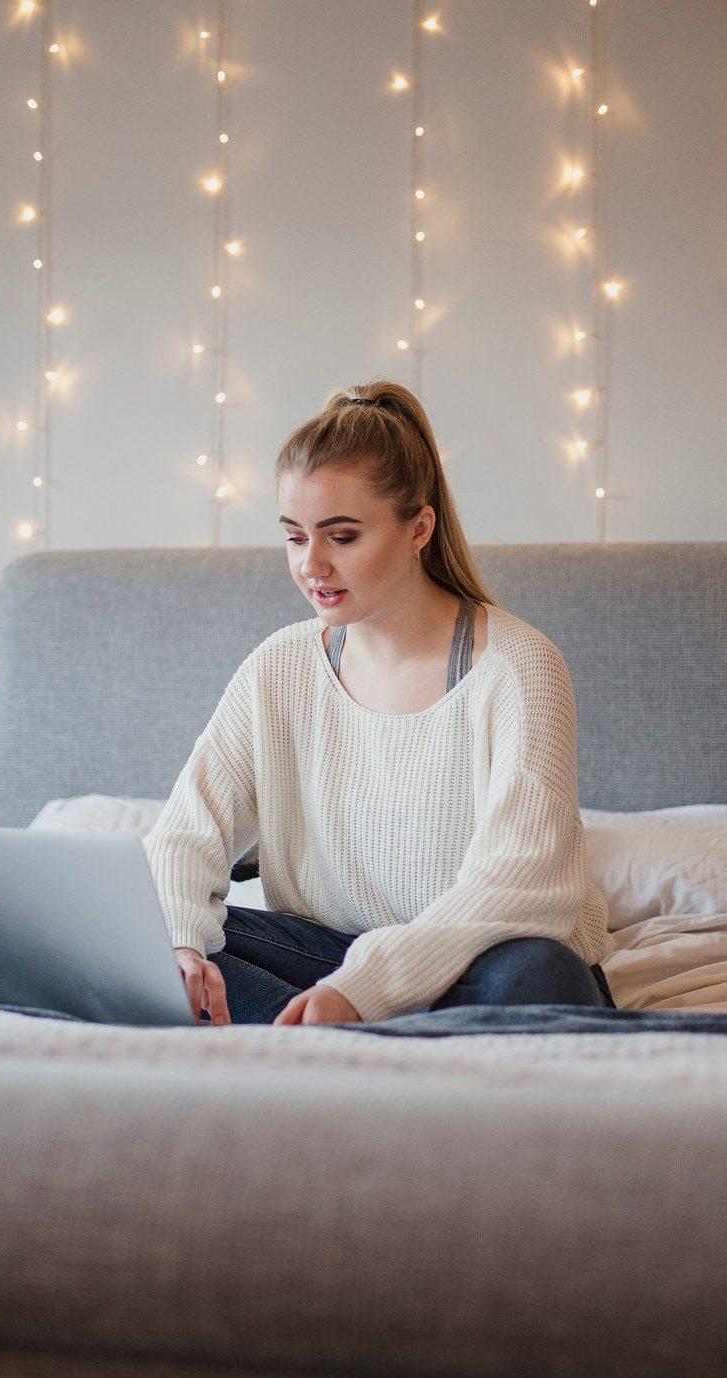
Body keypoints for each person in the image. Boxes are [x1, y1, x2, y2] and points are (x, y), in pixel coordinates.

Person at [144, 378, 614, 1026]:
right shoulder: (278, 667)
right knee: (142, 937)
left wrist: (362, 992)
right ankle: (347, 1042)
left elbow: (523, 882)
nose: (311, 564)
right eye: (293, 536)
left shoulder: (516, 668)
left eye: (341, 537)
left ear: (418, 527)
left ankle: (321, 1040)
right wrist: (178, 943)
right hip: (325, 957)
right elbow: (187, 831)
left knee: (540, 975)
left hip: (476, 960)